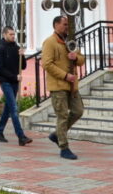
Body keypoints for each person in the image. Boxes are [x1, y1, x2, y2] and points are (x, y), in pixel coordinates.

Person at [42, 16, 85, 160]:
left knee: (78, 111)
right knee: (62, 116)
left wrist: (75, 58)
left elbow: (81, 59)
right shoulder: (50, 42)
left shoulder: (70, 41)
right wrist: (65, 76)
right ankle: (64, 147)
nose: (67, 27)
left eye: (68, 24)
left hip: (72, 85)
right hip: (59, 85)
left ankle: (57, 135)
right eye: (64, 24)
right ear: (56, 25)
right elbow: (47, 64)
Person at [0, 26, 32, 145]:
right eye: (10, 34)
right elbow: (0, 69)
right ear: (4, 35)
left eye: (14, 34)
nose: (13, 36)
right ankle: (21, 136)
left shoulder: (16, 48)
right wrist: (14, 76)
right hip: (5, 81)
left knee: (8, 108)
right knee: (14, 108)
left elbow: (23, 66)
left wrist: (22, 55)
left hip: (15, 82)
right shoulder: (0, 50)